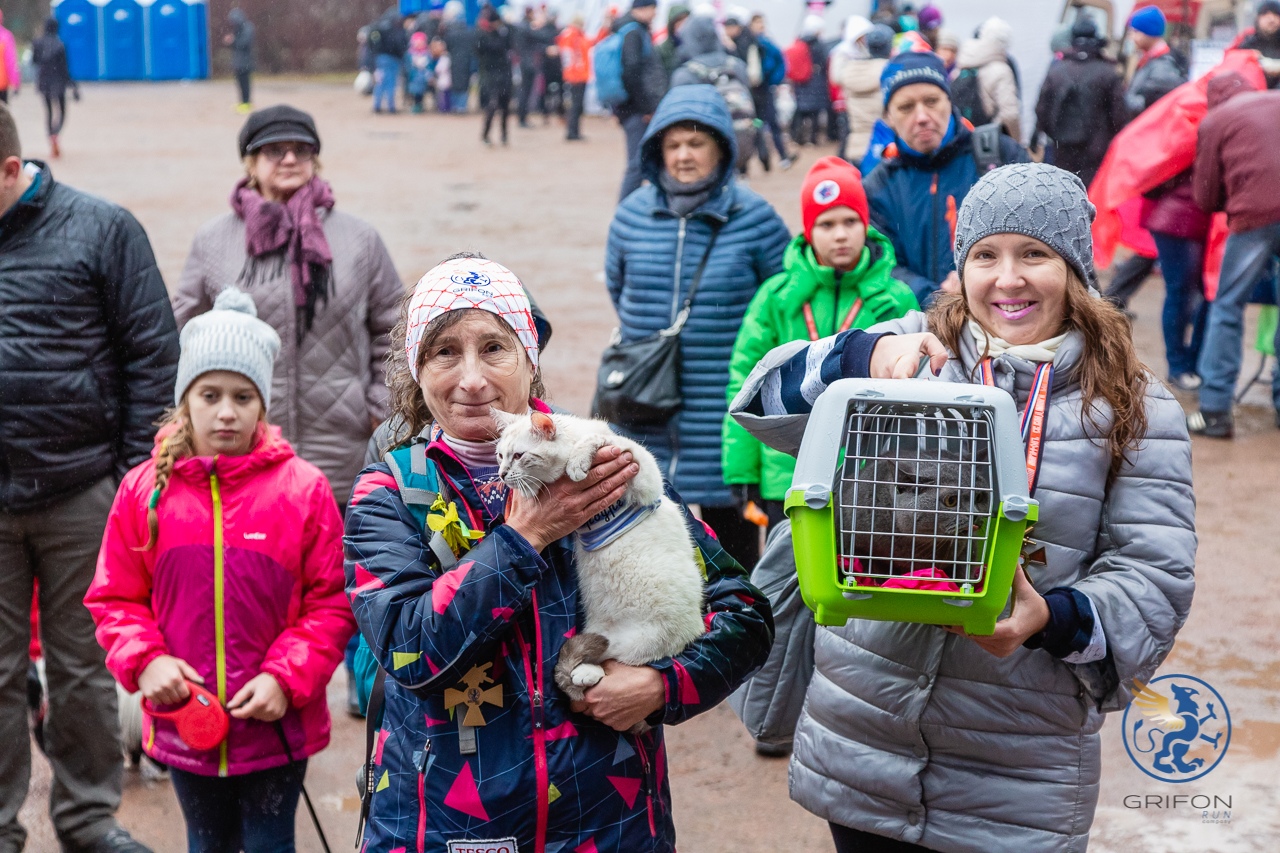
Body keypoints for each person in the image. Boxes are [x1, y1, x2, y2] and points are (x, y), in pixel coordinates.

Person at [730, 162, 1196, 853]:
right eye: (985, 255)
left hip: (1014, 763)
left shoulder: (1134, 403)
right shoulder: (917, 351)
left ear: (1074, 268)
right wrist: (860, 353)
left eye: (1034, 253)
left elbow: (1155, 573)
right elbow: (758, 401)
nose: (1007, 279)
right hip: (866, 740)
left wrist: (1056, 619)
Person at [344, 255, 773, 851]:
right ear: (418, 370)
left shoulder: (602, 462)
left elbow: (744, 613)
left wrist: (661, 685)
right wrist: (526, 537)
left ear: (529, 358)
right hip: (448, 828)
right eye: (445, 352)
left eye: (494, 347)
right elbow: (409, 650)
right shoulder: (388, 494)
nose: (471, 378)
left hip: (611, 824)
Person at [85, 290, 355, 853]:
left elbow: (330, 602)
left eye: (242, 395)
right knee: (206, 844)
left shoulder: (302, 490)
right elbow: (115, 599)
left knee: (269, 845)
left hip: (277, 724)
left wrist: (286, 677)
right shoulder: (145, 492)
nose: (226, 411)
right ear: (186, 400)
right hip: (186, 720)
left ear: (263, 404)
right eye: (209, 395)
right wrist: (146, 660)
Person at [0, 102, 176, 853]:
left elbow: (152, 353)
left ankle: (86, 819)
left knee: (83, 669)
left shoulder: (103, 230)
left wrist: (132, 479)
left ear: (12, 169)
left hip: (81, 493)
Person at [172, 106, 403, 516]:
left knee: (338, 574)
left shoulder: (360, 240)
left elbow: (394, 330)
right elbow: (183, 333)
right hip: (244, 448)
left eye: (302, 149)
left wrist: (378, 406)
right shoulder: (214, 241)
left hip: (343, 450)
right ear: (251, 164)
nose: (290, 159)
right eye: (275, 150)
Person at [605, 85, 790, 568]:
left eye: (696, 143)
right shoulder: (631, 218)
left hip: (725, 413)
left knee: (734, 555)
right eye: (673, 145)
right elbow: (617, 287)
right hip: (647, 408)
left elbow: (781, 306)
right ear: (657, 152)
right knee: (653, 548)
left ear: (722, 149)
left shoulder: (756, 220)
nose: (684, 155)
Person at [723, 156, 918, 535]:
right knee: (789, 576)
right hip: (787, 474)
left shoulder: (895, 299)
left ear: (866, 225)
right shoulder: (777, 297)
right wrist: (742, 469)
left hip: (870, 477)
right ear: (809, 231)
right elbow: (743, 382)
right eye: (826, 224)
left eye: (850, 221)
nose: (840, 235)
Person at [864, 51, 1028, 305]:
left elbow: (1044, 237)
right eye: (906, 107)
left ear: (949, 101)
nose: (921, 117)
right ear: (889, 118)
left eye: (931, 101)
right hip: (924, 325)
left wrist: (982, 282)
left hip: (1007, 309)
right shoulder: (878, 187)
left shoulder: (1000, 154)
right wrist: (937, 296)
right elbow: (881, 265)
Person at [1189, 71, 1280, 437]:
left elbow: (1206, 195)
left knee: (1227, 306)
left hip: (1254, 217)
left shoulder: (1216, 120)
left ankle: (1214, 412)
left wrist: (1235, 199)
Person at [1033, 17, 1127, 187]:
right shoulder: (1108, 72)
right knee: (1089, 196)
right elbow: (1119, 115)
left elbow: (1041, 110)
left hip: (1062, 148)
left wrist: (1044, 135)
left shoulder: (1057, 71)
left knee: (1062, 191)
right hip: (1096, 151)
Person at [614, 0, 667, 201]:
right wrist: (645, 107)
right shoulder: (633, 32)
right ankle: (625, 214)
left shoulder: (628, 30)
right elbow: (632, 72)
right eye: (654, 9)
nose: (655, 14)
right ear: (643, 8)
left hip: (631, 107)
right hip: (636, 109)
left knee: (640, 162)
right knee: (637, 164)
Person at [952, 16, 1022, 140]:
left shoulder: (963, 62)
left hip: (963, 138)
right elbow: (1010, 115)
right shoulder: (1001, 69)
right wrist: (1016, 142)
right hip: (988, 141)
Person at [834, 19, 891, 165]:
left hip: (857, 146)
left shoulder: (851, 71)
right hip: (885, 144)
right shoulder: (890, 72)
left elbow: (836, 78)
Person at [745, 13, 793, 170]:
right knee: (757, 124)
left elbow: (780, 62)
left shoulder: (767, 43)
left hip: (765, 90)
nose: (761, 26)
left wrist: (773, 80)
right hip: (752, 92)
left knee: (772, 123)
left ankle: (782, 156)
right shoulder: (746, 42)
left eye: (762, 23)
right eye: (757, 23)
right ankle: (763, 156)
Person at [1124, 6, 1186, 117]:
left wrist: (1119, 100)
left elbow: (1148, 107)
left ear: (1150, 33)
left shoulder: (1162, 67)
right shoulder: (1151, 61)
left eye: (1136, 32)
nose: (1131, 37)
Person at [31, 17, 77, 159]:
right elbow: (64, 68)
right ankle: (56, 134)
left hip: (44, 82)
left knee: (49, 112)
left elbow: (34, 61)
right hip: (58, 83)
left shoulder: (37, 43)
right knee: (62, 112)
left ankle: (51, 136)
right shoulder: (60, 44)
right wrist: (73, 85)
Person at [789, 15, 832, 147]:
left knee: (801, 110)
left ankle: (797, 136)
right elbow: (825, 60)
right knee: (815, 112)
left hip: (802, 82)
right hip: (816, 80)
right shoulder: (819, 44)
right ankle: (812, 139)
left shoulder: (800, 42)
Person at [475, 5, 514, 146]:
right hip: (491, 74)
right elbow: (482, 50)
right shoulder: (483, 35)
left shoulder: (504, 33)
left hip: (504, 73)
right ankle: (486, 134)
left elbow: (509, 44)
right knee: (492, 104)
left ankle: (504, 135)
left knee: (505, 106)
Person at [558, 14, 592, 140]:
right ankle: (572, 132)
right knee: (575, 105)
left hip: (581, 75)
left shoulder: (578, 35)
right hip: (576, 76)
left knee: (577, 105)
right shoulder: (570, 35)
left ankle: (575, 131)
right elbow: (567, 56)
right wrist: (571, 74)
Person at [441, 1, 476, 113]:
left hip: (454, 60)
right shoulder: (468, 32)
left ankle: (455, 105)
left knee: (454, 83)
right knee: (464, 84)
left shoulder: (449, 33)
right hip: (466, 60)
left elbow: (446, 46)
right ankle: (462, 106)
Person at [371, 9, 409, 114]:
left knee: (380, 81)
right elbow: (400, 43)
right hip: (393, 58)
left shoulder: (379, 27)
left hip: (380, 58)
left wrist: (376, 53)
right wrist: (401, 54)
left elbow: (373, 42)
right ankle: (391, 107)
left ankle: (377, 105)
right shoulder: (396, 28)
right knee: (391, 82)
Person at [1237, 0, 1280, 84]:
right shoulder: (1247, 44)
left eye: (1276, 14)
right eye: (1266, 14)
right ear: (1258, 18)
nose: (1271, 19)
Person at [225, 8, 255, 113]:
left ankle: (246, 103)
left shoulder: (247, 27)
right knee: (240, 83)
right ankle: (243, 102)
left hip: (245, 62)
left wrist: (233, 40)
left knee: (245, 83)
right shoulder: (239, 28)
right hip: (239, 62)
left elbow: (244, 43)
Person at [655, 4, 691, 81]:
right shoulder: (663, 49)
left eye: (686, 20)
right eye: (679, 20)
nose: (683, 24)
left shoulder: (697, 46)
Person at [405, 31, 432, 113]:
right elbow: (407, 66)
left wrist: (428, 74)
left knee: (421, 93)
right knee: (414, 93)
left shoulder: (427, 54)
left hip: (423, 77)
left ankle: (420, 105)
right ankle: (415, 105)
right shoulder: (410, 54)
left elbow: (429, 65)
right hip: (414, 77)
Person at [0, 11, 19, 104]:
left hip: (2, 82)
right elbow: (11, 61)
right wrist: (15, 82)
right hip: (2, 83)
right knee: (2, 114)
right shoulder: (6, 36)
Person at [431, 37, 452, 113]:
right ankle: (441, 107)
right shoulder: (432, 58)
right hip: (439, 79)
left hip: (444, 78)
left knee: (444, 94)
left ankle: (444, 108)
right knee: (440, 94)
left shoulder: (445, 57)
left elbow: (440, 68)